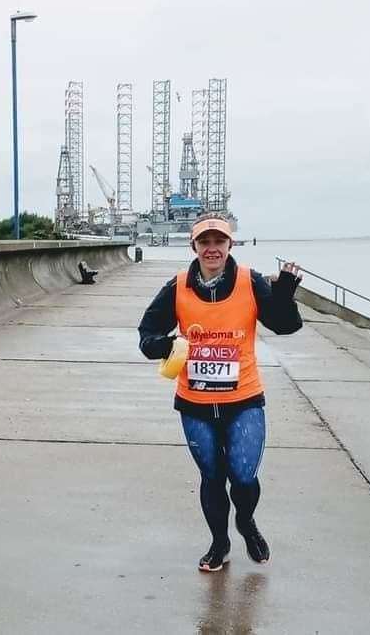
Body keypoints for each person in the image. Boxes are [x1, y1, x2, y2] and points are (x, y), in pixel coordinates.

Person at [138, 214, 303, 572]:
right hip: (195, 404)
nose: (212, 249)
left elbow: (285, 325)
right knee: (212, 477)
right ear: (193, 246)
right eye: (204, 242)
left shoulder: (249, 281)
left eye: (219, 242)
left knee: (243, 475)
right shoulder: (177, 286)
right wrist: (166, 346)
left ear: (230, 246)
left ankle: (245, 521)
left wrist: (285, 294)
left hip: (243, 400)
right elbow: (147, 335)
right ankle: (219, 543)